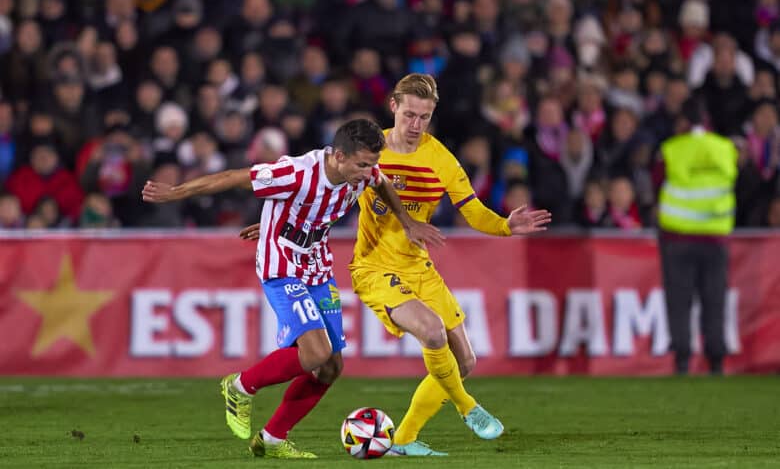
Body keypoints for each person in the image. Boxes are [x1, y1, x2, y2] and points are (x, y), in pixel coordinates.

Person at [241, 74, 551, 456]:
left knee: (464, 360)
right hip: (375, 268)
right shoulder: (369, 149)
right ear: (394, 107)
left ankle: (402, 439)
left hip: (419, 267)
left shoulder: (441, 159)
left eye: (424, 116)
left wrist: (504, 225)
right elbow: (323, 185)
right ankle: (467, 407)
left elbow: (471, 210)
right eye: (409, 115)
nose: (416, 125)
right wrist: (283, 223)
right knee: (433, 332)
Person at [142, 118, 444, 459]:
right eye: (362, 164)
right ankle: (239, 387)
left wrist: (408, 223)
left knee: (331, 366)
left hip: (317, 266)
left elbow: (383, 183)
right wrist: (176, 192)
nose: (368, 172)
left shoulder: (365, 172)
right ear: (338, 156)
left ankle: (271, 439)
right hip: (282, 266)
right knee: (315, 352)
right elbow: (234, 177)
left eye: (372, 163)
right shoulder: (296, 173)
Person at [657, 98, 738, 375]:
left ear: (683, 122)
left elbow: (657, 182)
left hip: (678, 239)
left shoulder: (672, 149)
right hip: (715, 238)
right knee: (714, 300)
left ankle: (682, 360)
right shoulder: (725, 148)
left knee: (680, 302)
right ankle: (716, 360)